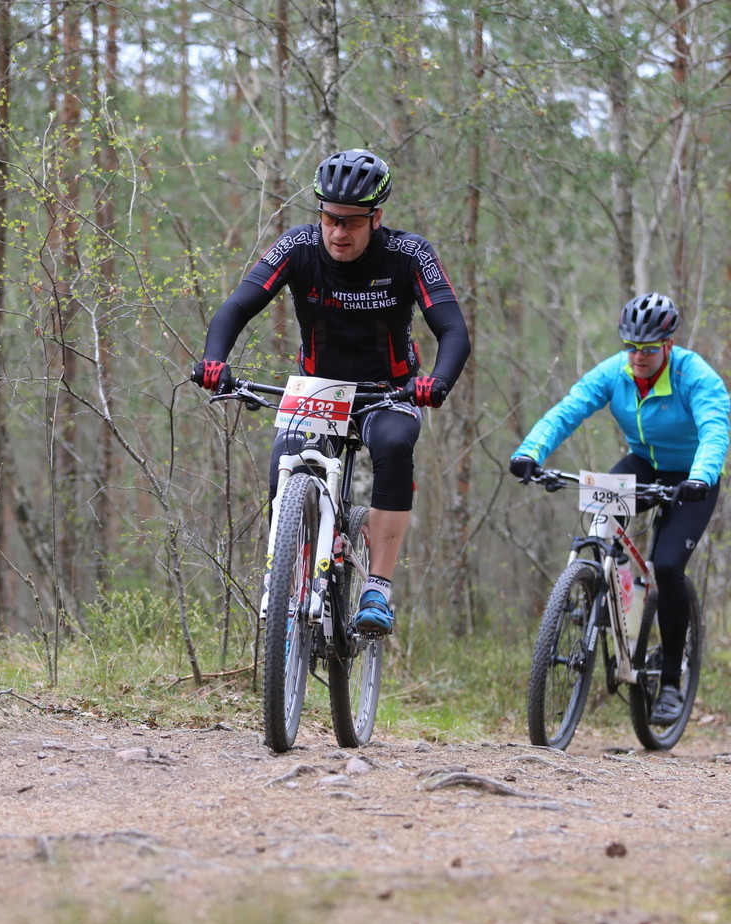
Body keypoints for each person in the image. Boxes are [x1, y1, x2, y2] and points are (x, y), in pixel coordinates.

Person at [192, 148, 470, 634]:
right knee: (287, 459)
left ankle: (378, 587)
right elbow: (237, 306)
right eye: (330, 219)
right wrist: (215, 359)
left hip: (390, 390)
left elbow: (453, 330)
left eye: (352, 222)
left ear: (377, 217)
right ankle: (288, 575)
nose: (338, 232)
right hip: (319, 387)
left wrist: (438, 381)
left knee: (393, 445)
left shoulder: (409, 254)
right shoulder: (297, 247)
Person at [510, 291, 729, 726]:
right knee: (601, 527)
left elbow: (715, 429)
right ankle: (615, 603)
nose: (637, 357)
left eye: (648, 349)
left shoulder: (695, 376)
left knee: (667, 567)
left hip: (691, 479)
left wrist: (702, 477)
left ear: (668, 345)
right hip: (642, 467)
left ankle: (669, 683)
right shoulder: (615, 372)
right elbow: (567, 411)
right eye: (630, 347)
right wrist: (531, 451)